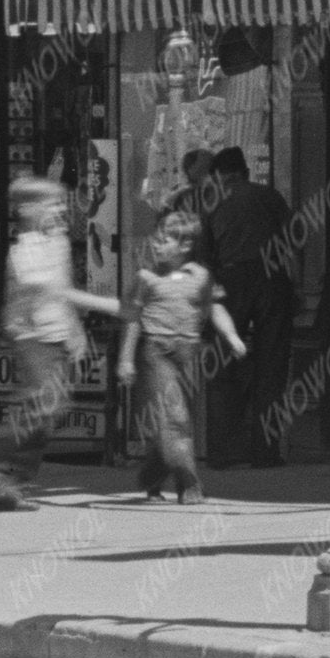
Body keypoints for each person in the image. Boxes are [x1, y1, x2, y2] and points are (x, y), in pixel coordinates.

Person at [123, 202, 243, 505]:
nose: (156, 244)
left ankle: (152, 477)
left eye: (164, 240)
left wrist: (231, 336)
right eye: (156, 238)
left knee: (176, 420)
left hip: (188, 352)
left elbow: (214, 307)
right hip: (156, 351)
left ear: (185, 244)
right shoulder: (146, 278)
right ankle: (189, 483)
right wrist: (126, 358)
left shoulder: (201, 277)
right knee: (174, 418)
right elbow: (133, 319)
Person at [195, 146, 285, 469]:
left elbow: (204, 254)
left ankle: (221, 453)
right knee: (271, 367)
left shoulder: (212, 202)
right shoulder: (269, 196)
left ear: (220, 175)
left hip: (229, 280)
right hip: (271, 279)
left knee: (221, 368)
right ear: (244, 170)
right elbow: (294, 240)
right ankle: (266, 452)